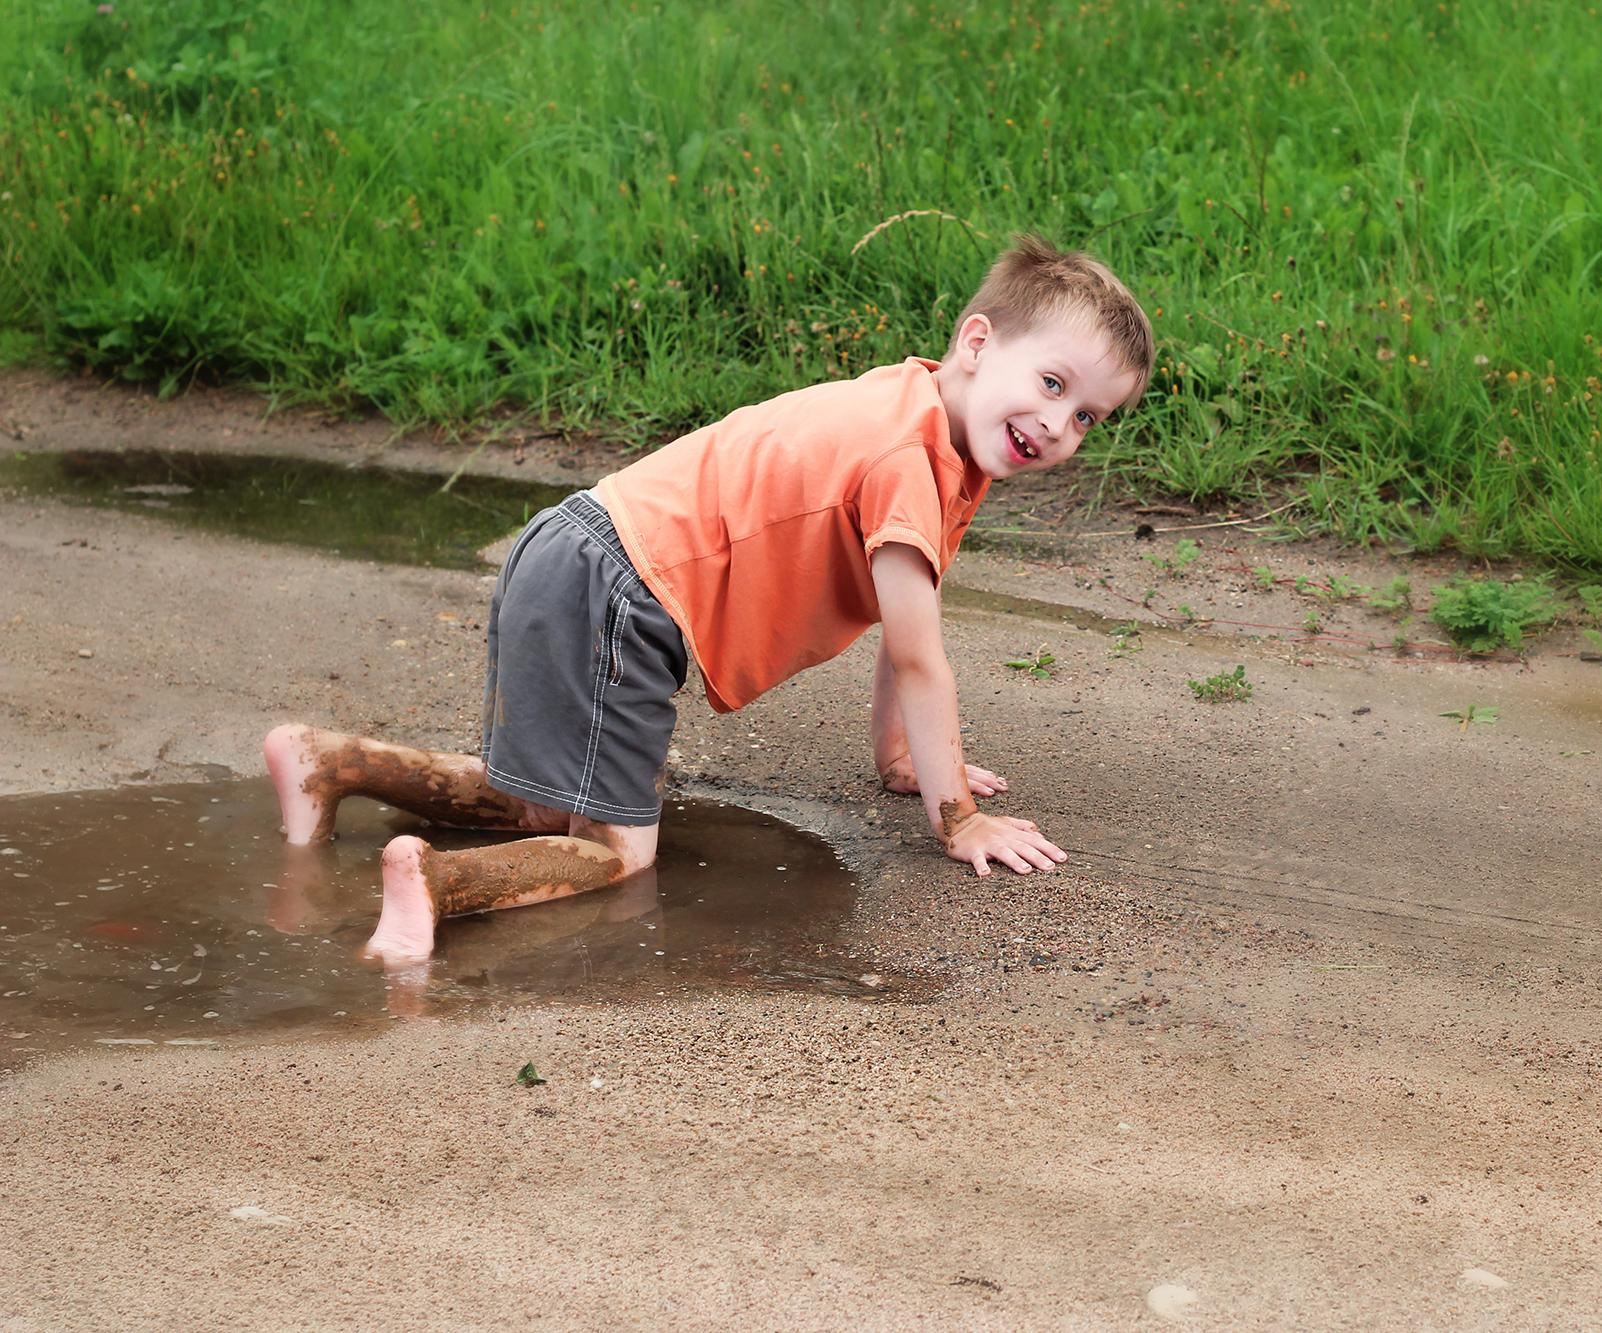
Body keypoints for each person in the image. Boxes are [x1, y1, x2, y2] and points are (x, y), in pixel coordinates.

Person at [262, 235, 1154, 961]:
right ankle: (436, 885)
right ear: (976, 342)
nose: (1058, 423)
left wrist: (901, 762)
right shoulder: (906, 461)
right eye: (1052, 383)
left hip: (578, 549)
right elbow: (922, 658)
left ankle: (330, 763)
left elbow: (899, 622)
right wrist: (960, 819)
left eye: (1087, 416)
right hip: (622, 594)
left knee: (547, 802)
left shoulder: (917, 411)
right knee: (618, 856)